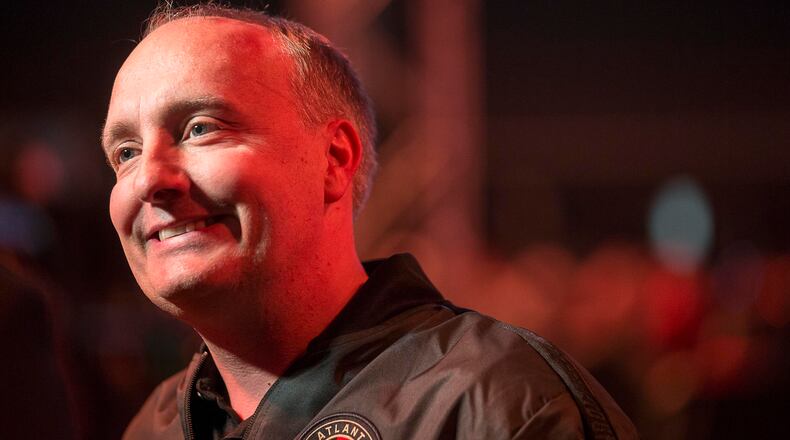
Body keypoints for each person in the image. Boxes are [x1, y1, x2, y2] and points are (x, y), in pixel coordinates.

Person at [102, 3, 638, 439]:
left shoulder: (497, 407)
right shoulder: (152, 428)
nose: (149, 179)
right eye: (125, 152)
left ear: (333, 161)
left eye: (199, 128)